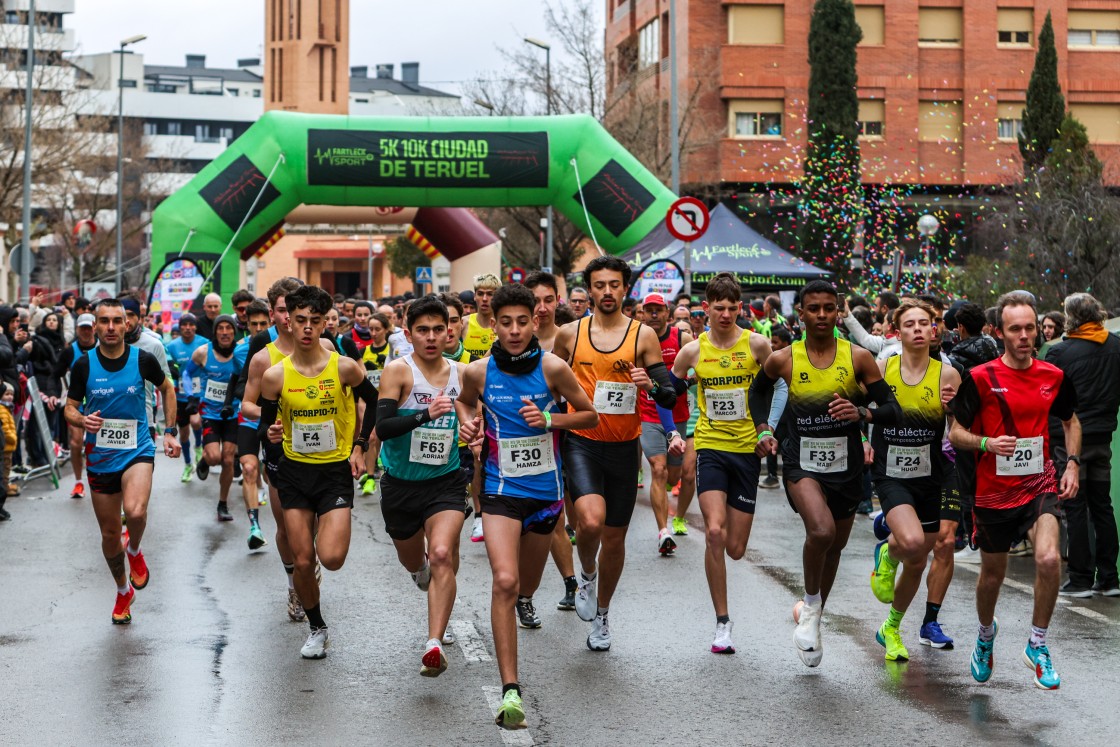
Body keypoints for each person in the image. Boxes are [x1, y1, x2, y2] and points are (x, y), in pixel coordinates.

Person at [457, 284, 598, 728]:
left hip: (546, 496)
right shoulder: (478, 373)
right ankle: (510, 689)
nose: (515, 330)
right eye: (506, 322)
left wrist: (551, 419)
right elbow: (464, 404)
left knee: (525, 585)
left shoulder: (553, 367)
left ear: (534, 322)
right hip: (499, 491)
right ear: (493, 324)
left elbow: (590, 414)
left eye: (523, 321)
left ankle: (525, 597)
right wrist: (469, 426)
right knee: (503, 578)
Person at [749, 279, 902, 667]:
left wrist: (863, 412)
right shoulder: (784, 358)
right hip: (801, 462)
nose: (821, 315)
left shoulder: (858, 358)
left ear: (838, 312)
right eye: (813, 308)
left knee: (834, 547)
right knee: (821, 532)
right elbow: (758, 391)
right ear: (800, 313)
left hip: (846, 467)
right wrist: (764, 428)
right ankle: (813, 608)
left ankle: (812, 614)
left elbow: (891, 408)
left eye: (828, 308)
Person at [949, 291, 1080, 690]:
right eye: (1015, 329)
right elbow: (955, 433)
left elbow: (1072, 421)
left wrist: (1071, 463)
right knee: (993, 575)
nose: (1024, 336)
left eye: (1030, 328)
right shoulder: (981, 377)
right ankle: (986, 634)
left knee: (1048, 560)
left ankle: (1037, 644)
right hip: (992, 492)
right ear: (999, 333)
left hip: (1038, 482)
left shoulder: (1052, 376)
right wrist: (988, 444)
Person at [552, 256, 682, 650]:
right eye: (599, 285)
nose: (606, 292)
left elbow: (670, 392)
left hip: (625, 448)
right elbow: (553, 388)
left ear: (626, 289)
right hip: (582, 443)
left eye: (614, 285)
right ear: (588, 289)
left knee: (616, 537)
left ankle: (603, 616)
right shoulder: (569, 335)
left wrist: (650, 385)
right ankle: (586, 574)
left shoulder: (643, 335)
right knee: (589, 524)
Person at [258, 285, 377, 658]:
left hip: (333, 474)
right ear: (288, 323)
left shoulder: (342, 366)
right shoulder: (275, 376)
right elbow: (267, 427)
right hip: (294, 473)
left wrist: (359, 446)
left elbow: (373, 402)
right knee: (303, 560)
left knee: (332, 558)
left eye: (315, 321)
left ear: (326, 323)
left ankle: (328, 531)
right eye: (300, 321)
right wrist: (272, 434)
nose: (308, 328)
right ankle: (317, 626)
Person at [671, 273, 785, 653]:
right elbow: (671, 391)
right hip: (709, 447)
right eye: (717, 308)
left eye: (731, 308)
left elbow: (779, 386)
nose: (724, 314)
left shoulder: (757, 344)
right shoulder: (693, 350)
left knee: (735, 548)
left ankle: (723, 618)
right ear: (707, 309)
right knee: (715, 532)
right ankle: (722, 623)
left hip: (747, 451)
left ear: (740, 308)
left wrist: (768, 429)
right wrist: (675, 430)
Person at [63, 299, 181, 623]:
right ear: (96, 326)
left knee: (136, 510)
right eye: (105, 321)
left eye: (118, 320)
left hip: (137, 448)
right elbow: (69, 407)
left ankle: (135, 550)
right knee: (110, 534)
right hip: (100, 457)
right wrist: (80, 420)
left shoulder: (142, 359)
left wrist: (170, 432)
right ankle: (121, 590)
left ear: (127, 324)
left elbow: (167, 389)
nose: (112, 327)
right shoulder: (84, 366)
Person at [375, 295, 474, 675]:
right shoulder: (398, 372)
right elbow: (383, 428)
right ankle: (419, 572)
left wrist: (471, 428)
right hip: (400, 484)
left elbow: (472, 412)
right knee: (414, 560)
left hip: (444, 482)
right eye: (423, 330)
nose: (432, 337)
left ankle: (434, 642)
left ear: (449, 332)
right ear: (408, 333)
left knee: (443, 554)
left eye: (438, 329)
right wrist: (424, 414)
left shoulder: (461, 373)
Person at [866, 299, 961, 661]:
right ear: (898, 331)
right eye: (911, 324)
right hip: (890, 472)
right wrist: (862, 441)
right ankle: (888, 553)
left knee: (919, 560)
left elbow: (958, 429)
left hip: (932, 471)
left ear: (934, 330)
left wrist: (956, 411)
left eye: (925, 323)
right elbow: (864, 411)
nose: (919, 329)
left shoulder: (949, 375)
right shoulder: (883, 367)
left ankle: (890, 627)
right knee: (911, 540)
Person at [1044, 293, 1120, 597]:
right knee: (1103, 505)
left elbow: (1049, 399)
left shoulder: (1059, 352)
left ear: (1071, 317)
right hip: (1103, 436)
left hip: (1070, 441)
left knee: (1074, 505)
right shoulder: (1116, 346)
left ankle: (1079, 577)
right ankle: (1110, 577)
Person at [525, 271, 580, 608]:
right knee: (542, 518)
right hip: (523, 440)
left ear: (558, 301)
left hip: (565, 437)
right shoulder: (512, 340)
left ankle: (574, 581)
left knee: (563, 518)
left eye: (548, 300)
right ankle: (530, 592)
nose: (542, 308)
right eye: (536, 301)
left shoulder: (570, 339)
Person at [637, 293, 690, 555]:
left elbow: (698, 372)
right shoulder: (635, 340)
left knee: (673, 474)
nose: (654, 315)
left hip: (678, 416)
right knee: (658, 470)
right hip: (648, 416)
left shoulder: (681, 339)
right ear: (643, 313)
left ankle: (670, 488)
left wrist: (681, 385)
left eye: (658, 310)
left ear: (667, 312)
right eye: (649, 311)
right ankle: (663, 530)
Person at [185, 315, 248, 521]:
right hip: (210, 413)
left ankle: (223, 503)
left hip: (232, 413)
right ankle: (205, 459)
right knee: (215, 458)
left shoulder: (240, 353)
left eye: (228, 328)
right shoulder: (203, 352)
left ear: (234, 332)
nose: (224, 332)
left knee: (228, 459)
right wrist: (192, 398)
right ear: (215, 332)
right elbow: (187, 374)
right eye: (220, 328)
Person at [55, 314, 99, 498]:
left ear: (94, 328)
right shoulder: (69, 351)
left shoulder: (103, 347)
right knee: (75, 442)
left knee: (97, 444)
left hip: (98, 402)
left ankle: (98, 479)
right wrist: (53, 393)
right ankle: (78, 482)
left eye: (89, 327)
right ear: (77, 330)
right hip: (77, 404)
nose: (86, 331)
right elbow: (55, 373)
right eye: (83, 328)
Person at [164, 312, 207, 483]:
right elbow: (168, 365)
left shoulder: (204, 343)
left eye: (191, 325)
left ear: (195, 327)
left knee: (196, 422)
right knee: (183, 434)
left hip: (199, 394)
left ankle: (198, 446)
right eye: (184, 325)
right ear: (180, 327)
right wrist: (172, 369)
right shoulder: (172, 346)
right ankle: (188, 464)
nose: (188, 328)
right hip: (180, 396)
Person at [462, 273, 500, 360]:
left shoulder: (503, 326)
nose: (485, 299)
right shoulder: (463, 323)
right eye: (480, 294)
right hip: (466, 373)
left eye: (490, 294)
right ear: (475, 296)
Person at [0, 382, 16, 520]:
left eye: (11, 394)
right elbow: (5, 429)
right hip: (6, 447)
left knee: (5, 472)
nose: (10, 397)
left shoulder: (7, 408)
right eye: (7, 394)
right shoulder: (2, 409)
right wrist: (12, 438)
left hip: (8, 447)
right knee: (3, 474)